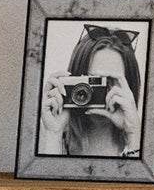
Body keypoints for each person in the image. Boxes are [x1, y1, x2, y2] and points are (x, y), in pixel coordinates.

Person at [37, 26, 142, 157]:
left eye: (110, 80)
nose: (102, 91)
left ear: (129, 85)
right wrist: (54, 135)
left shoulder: (146, 141)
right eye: (92, 80)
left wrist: (133, 135)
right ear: (74, 79)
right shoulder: (40, 136)